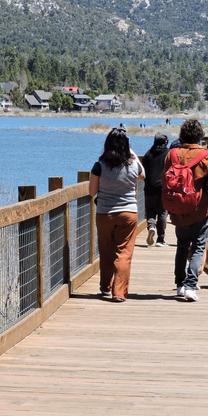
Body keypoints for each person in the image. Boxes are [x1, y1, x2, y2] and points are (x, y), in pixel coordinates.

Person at [162, 119, 208, 302]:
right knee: (198, 247)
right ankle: (190, 286)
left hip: (178, 208)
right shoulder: (207, 155)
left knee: (181, 246)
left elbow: (164, 179)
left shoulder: (171, 154)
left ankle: (179, 284)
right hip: (200, 209)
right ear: (200, 135)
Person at [89, 127, 145, 302]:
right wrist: (132, 153)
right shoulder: (133, 164)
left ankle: (105, 287)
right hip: (128, 213)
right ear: (126, 146)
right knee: (123, 253)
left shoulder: (99, 165)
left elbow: (92, 192)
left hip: (105, 214)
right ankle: (119, 292)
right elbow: (143, 175)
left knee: (106, 251)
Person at [142, 132, 169, 246]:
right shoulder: (168, 154)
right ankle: (160, 239)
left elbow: (143, 170)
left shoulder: (148, 154)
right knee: (162, 212)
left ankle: (151, 226)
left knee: (150, 209)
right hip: (163, 187)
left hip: (150, 186)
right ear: (166, 142)